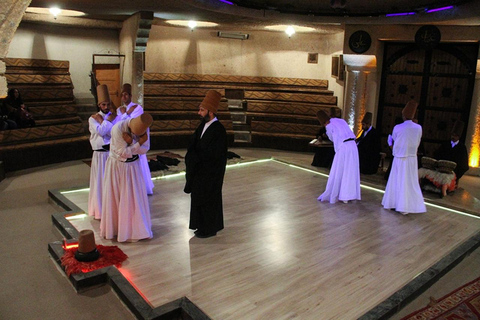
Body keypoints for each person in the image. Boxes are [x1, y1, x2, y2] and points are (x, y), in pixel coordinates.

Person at [100, 113, 154, 242]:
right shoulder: (117, 128)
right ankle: (119, 229)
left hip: (134, 166)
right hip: (118, 167)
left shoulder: (143, 127)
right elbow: (124, 154)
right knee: (120, 197)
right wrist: (139, 143)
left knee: (134, 197)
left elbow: (145, 149)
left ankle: (136, 229)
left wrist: (133, 142)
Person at [184, 90, 227, 238]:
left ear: (211, 111)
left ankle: (209, 228)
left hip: (210, 173)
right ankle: (200, 225)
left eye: (202, 110)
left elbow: (216, 154)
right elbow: (194, 144)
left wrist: (197, 158)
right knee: (198, 199)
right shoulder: (203, 126)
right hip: (199, 171)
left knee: (209, 200)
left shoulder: (219, 130)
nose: (199, 113)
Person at [382, 100, 426, 215]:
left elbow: (396, 142)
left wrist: (390, 144)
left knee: (397, 180)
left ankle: (394, 203)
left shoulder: (398, 127)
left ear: (403, 115)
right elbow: (417, 141)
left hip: (399, 158)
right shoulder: (418, 128)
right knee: (408, 181)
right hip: (411, 159)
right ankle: (406, 206)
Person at [316, 110, 361, 204]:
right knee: (350, 170)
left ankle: (344, 195)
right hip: (353, 145)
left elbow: (333, 138)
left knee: (340, 171)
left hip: (343, 147)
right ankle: (350, 194)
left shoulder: (328, 127)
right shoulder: (340, 120)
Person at [117, 83, 154, 195]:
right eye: (122, 95)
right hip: (124, 139)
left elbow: (133, 124)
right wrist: (126, 114)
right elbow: (120, 124)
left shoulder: (137, 108)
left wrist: (126, 114)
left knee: (139, 164)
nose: (124, 97)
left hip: (135, 139)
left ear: (130, 95)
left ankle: (142, 188)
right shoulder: (120, 109)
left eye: (126, 94)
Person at [87, 84, 117, 220]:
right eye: (103, 105)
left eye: (108, 104)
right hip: (99, 154)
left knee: (110, 182)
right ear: (99, 105)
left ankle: (111, 209)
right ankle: (100, 210)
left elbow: (113, 134)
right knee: (100, 182)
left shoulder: (113, 117)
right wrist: (107, 122)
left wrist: (107, 122)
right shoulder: (93, 118)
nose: (106, 107)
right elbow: (100, 131)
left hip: (110, 153)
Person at [434, 120, 469, 186]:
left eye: (455, 135)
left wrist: (456, 175)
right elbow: (437, 155)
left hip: (454, 172)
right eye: (452, 135)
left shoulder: (462, 147)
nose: (453, 137)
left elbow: (464, 164)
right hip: (442, 170)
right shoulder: (445, 144)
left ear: (459, 137)